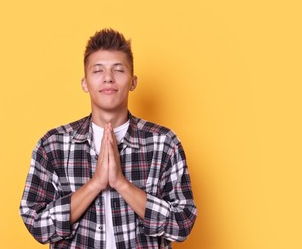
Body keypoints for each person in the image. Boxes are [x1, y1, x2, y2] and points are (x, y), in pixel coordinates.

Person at [19, 28, 197, 248]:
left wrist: (121, 184)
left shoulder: (164, 143)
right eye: (98, 71)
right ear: (85, 83)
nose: (108, 78)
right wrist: (95, 184)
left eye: (119, 70)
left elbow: (183, 223)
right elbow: (36, 223)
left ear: (133, 81)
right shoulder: (53, 145)